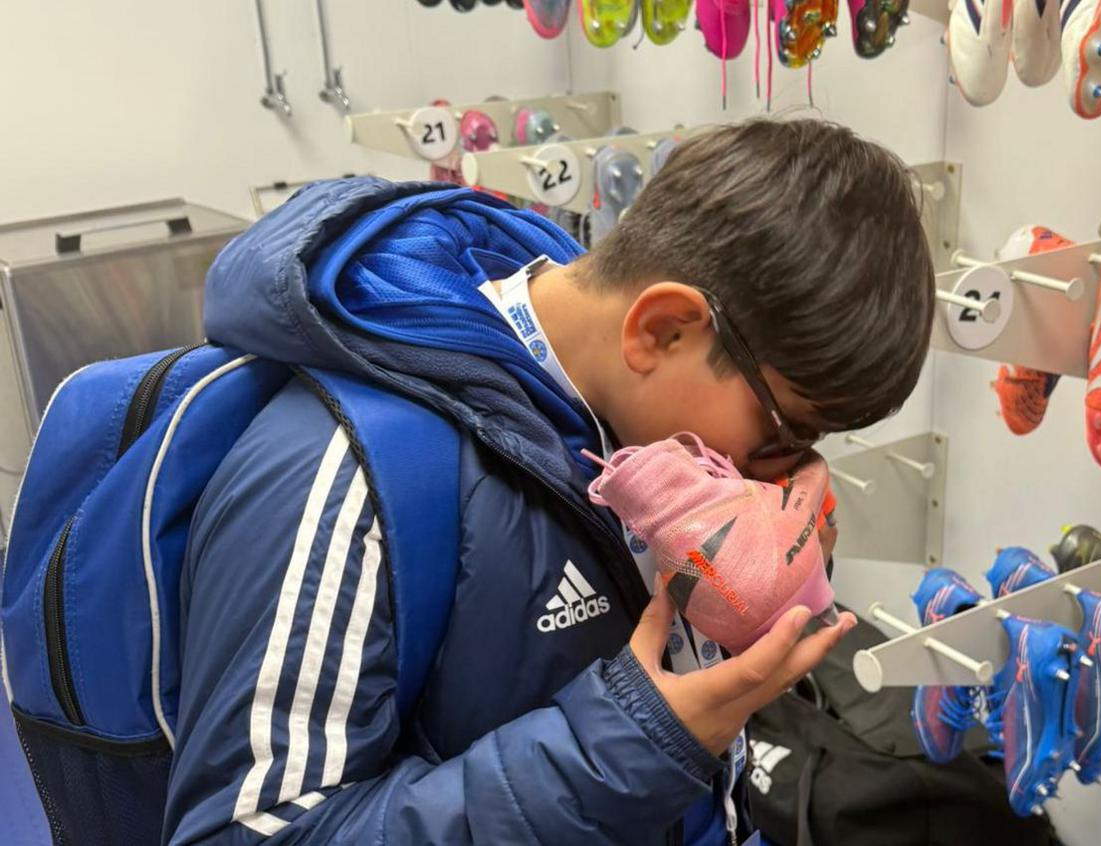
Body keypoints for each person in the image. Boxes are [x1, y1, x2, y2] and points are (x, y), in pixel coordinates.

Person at [165, 117, 935, 844]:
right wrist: (626, 749)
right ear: (662, 328)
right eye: (785, 432)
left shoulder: (624, 430)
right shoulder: (349, 472)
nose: (795, 471)